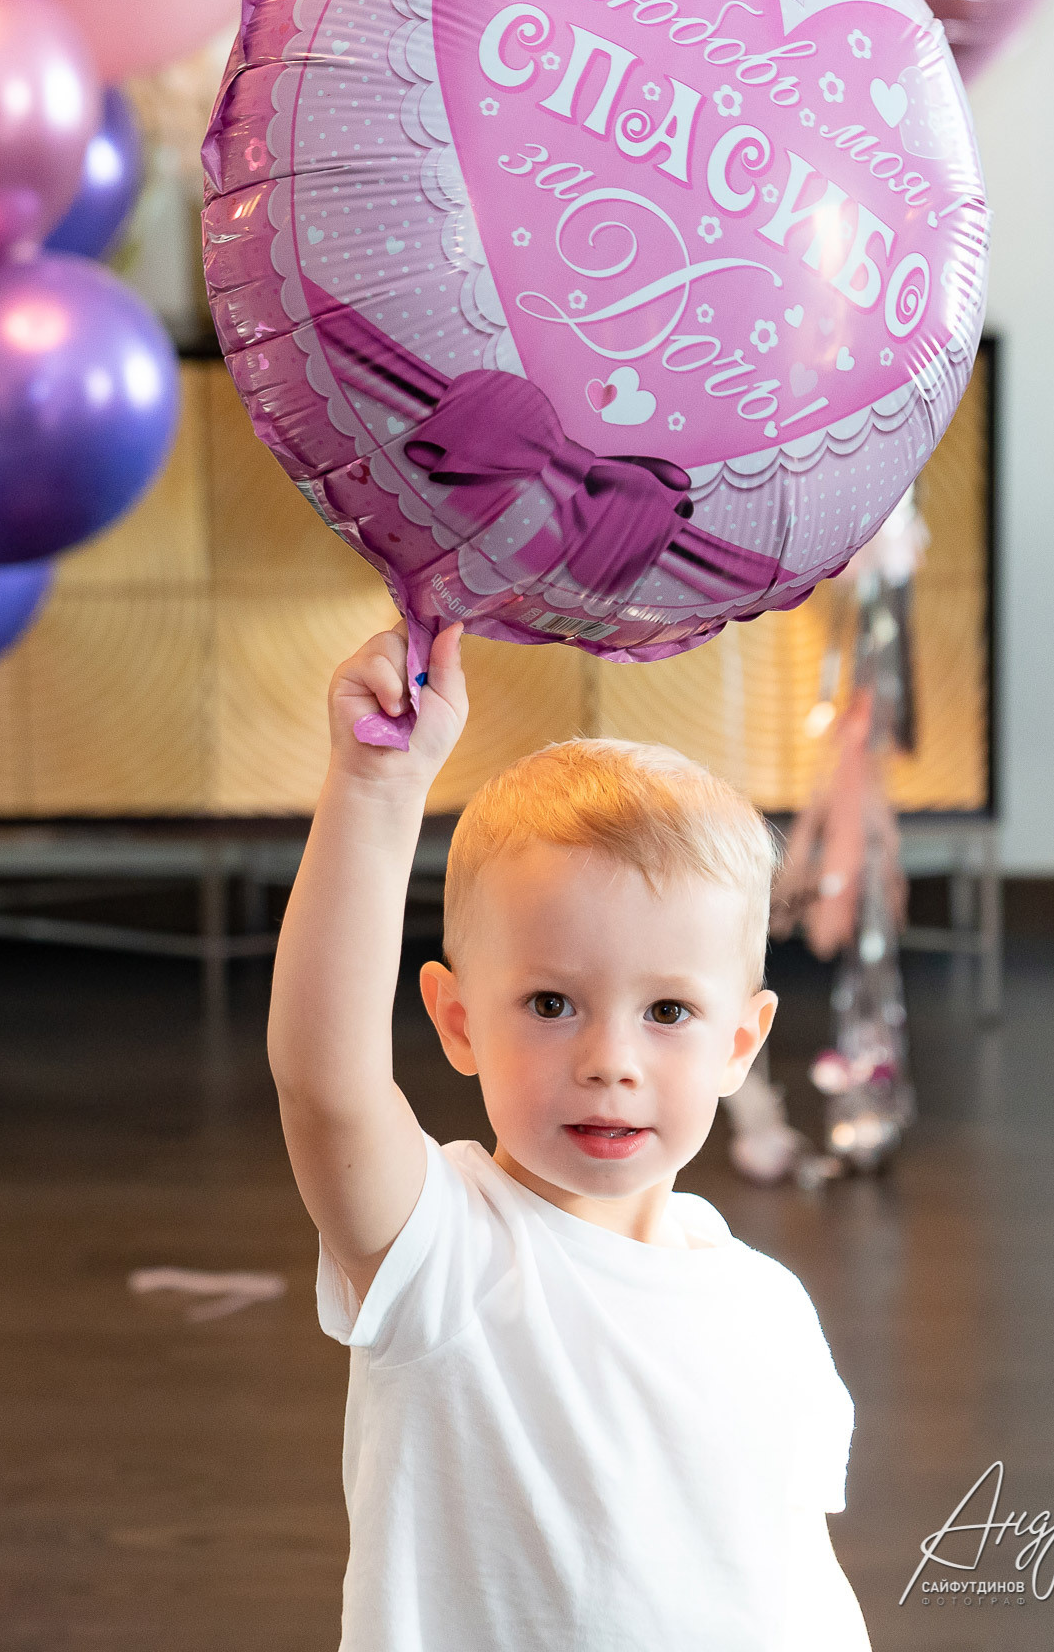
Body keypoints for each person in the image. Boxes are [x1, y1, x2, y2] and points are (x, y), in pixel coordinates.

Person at [269, 621, 872, 1652]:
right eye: (550, 1004)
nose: (610, 1060)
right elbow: (325, 1088)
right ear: (459, 1021)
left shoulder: (766, 1308)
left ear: (740, 1042)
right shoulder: (445, 1258)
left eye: (667, 1014)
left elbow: (791, 1580)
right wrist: (374, 793)